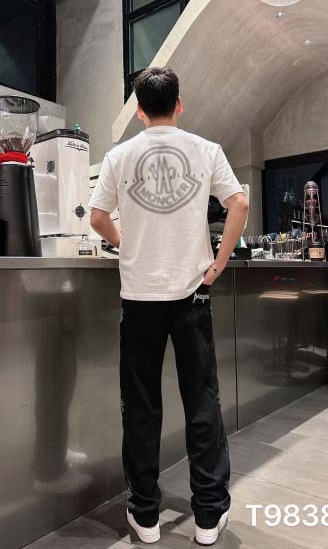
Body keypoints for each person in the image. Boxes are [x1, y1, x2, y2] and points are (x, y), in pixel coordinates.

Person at [89, 67, 248, 546]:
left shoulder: (118, 156)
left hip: (139, 296)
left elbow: (97, 217)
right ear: (179, 104)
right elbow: (238, 204)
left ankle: (145, 515)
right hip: (192, 292)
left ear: (139, 110)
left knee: (141, 405)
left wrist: (126, 243)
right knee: (201, 400)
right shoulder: (206, 150)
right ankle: (208, 517)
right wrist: (219, 262)